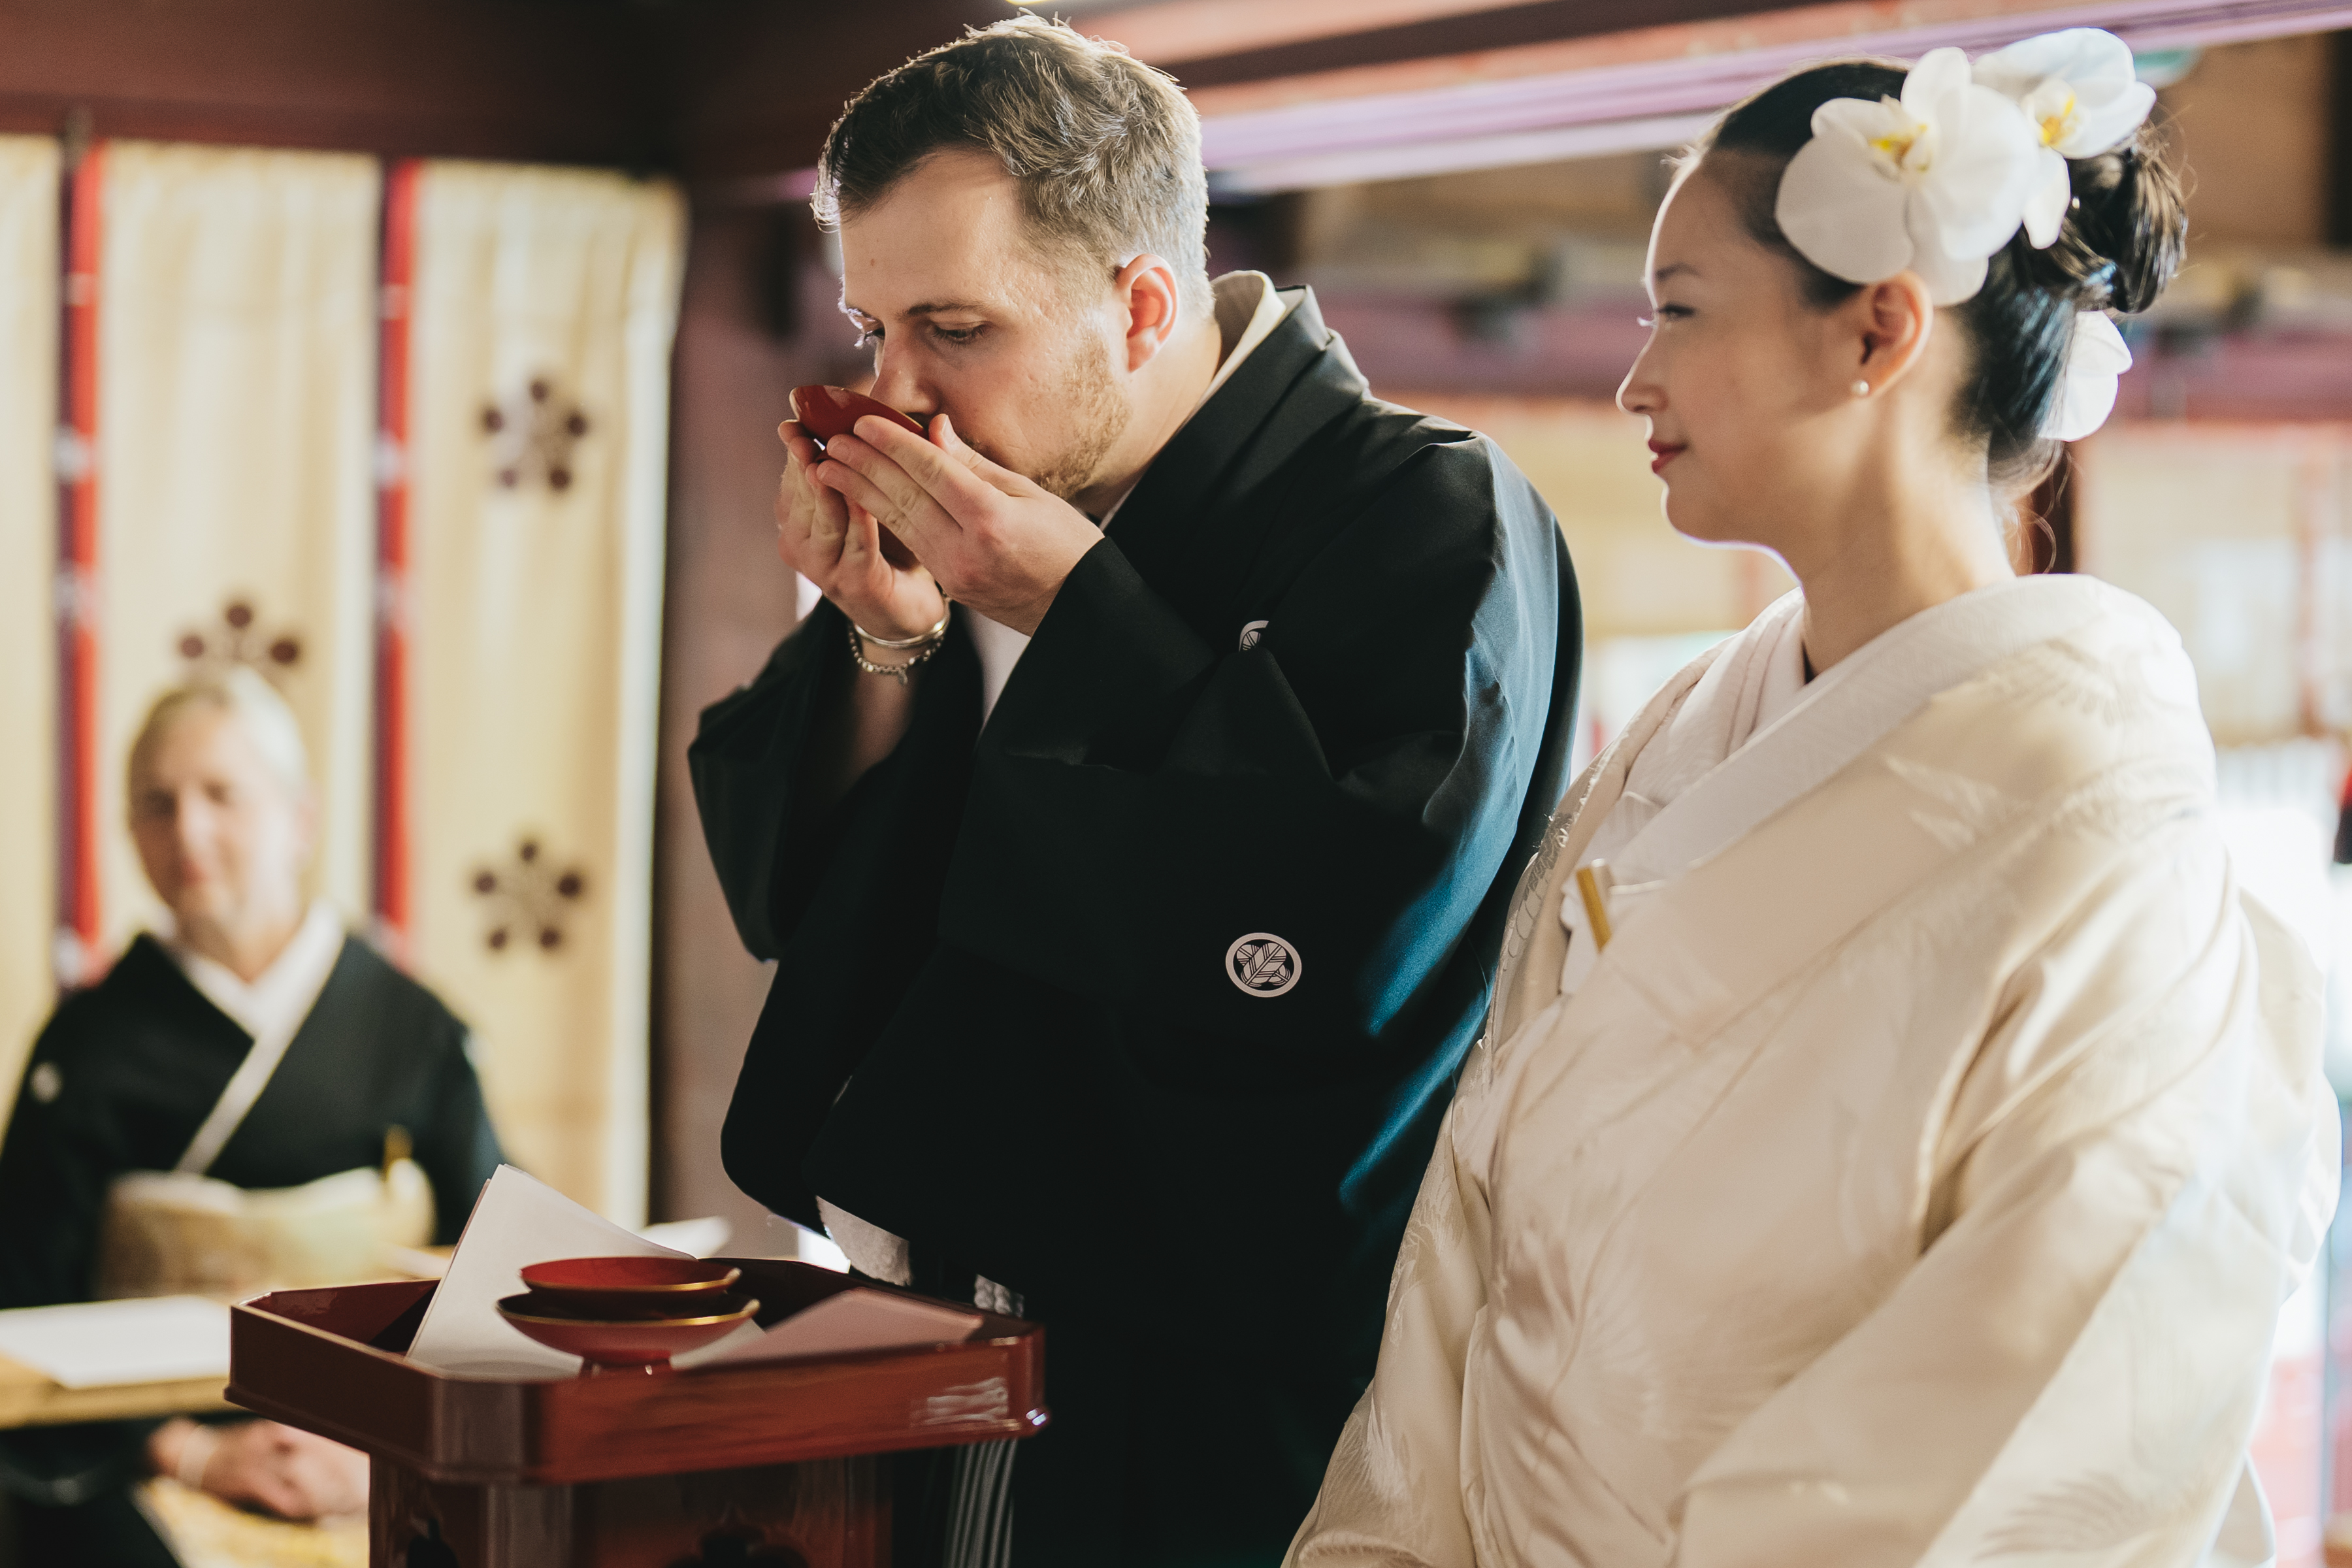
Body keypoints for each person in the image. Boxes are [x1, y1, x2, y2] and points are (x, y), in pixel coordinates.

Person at [1286, 30, 2340, 1567]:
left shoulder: (2100, 817)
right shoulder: (1682, 732)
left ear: (1878, 330)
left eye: (1680, 308)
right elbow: (1477, 1229)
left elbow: (2039, 1411)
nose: (1635, 374)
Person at [689, 16, 1578, 1565]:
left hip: (1239, 1349)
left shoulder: (1427, 511)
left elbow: (1357, 921)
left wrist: (1080, 614)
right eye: (873, 329)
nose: (899, 393)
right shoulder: (996, 503)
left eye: (955, 329)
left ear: (1143, 304)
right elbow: (810, 904)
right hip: (958, 1311)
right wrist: (889, 641)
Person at [0, 667, 503, 1567]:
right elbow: (25, 1287)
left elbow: (493, 1265)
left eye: (221, 795)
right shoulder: (86, 1043)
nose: (187, 831)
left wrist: (383, 1453)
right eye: (157, 805)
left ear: (299, 818)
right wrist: (190, 1454)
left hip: (375, 1441)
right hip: (147, 1446)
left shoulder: (411, 1027)